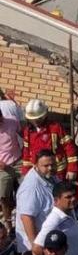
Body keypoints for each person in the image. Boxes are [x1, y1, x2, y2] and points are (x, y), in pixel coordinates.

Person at [22, 99, 78, 180]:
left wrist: (72, 169)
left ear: (44, 116)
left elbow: (69, 147)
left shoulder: (55, 128)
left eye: (38, 118)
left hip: (56, 172)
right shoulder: (28, 131)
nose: (35, 121)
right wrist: (26, 171)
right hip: (37, 172)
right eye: (32, 119)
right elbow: (26, 152)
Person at [15, 149, 55, 255]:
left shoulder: (50, 177)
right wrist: (36, 245)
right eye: (46, 166)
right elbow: (27, 217)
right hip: (37, 248)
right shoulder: (31, 187)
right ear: (36, 165)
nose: (50, 168)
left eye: (52, 164)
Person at [33, 182, 78, 255]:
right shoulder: (53, 220)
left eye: (74, 195)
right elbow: (37, 248)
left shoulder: (71, 211)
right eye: (68, 197)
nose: (73, 199)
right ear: (57, 200)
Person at [0, 88, 21, 228]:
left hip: (18, 161)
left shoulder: (12, 121)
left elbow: (24, 136)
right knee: (3, 196)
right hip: (3, 167)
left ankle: (22, 219)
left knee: (25, 191)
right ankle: (8, 224)